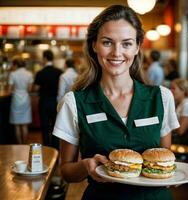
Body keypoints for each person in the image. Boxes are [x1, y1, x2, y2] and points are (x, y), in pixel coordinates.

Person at [52, 5, 179, 200]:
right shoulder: (73, 102)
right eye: (107, 42)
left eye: (126, 43)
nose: (117, 52)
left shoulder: (162, 98)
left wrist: (169, 173)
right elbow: (67, 172)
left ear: (137, 47)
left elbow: (164, 157)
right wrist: (86, 165)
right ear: (94, 45)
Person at [34, 50, 62, 149]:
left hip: (44, 101)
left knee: (44, 125)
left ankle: (46, 147)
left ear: (45, 58)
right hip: (55, 101)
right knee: (56, 125)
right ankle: (55, 147)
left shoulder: (40, 73)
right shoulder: (59, 72)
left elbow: (36, 88)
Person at [8, 56, 33, 144]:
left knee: (17, 125)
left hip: (16, 99)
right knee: (24, 124)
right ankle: (25, 144)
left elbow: (10, 90)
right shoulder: (29, 74)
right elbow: (29, 89)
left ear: (15, 64)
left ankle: (19, 144)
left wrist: (15, 90)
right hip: (25, 98)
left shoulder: (13, 74)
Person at [170, 79, 188, 146]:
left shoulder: (187, 104)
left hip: (182, 142)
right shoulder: (179, 103)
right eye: (170, 88)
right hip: (176, 138)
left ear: (183, 90)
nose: (170, 91)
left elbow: (181, 131)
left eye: (173, 88)